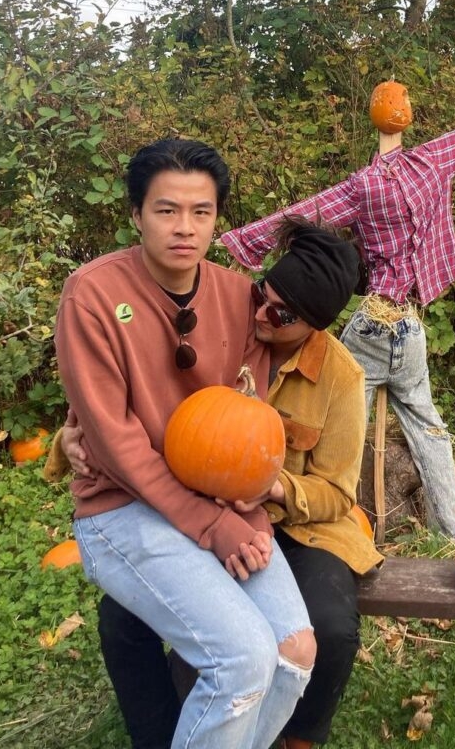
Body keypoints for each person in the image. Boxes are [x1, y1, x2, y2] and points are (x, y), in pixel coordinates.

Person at [50, 216, 383, 749]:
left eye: (282, 314)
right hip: (203, 514)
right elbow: (141, 413)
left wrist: (274, 491)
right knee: (122, 618)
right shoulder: (218, 329)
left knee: (326, 625)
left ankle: (295, 738)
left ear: (314, 326)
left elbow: (338, 494)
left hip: (300, 529)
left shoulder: (342, 380)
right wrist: (64, 444)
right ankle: (159, 735)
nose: (260, 315)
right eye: (260, 296)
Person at [221, 84, 455, 540]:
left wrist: (243, 244)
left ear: (374, 116)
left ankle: (321, 522)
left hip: (373, 322)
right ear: (406, 114)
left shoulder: (363, 187)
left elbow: (303, 214)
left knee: (330, 422)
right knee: (428, 427)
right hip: (409, 323)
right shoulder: (433, 160)